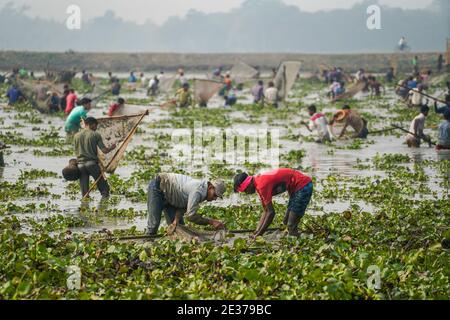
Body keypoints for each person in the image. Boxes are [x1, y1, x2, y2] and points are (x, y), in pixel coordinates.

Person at [233, 168, 313, 237]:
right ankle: (294, 236)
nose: (247, 193)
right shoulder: (258, 183)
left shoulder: (262, 185)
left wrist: (259, 234)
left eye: (245, 190)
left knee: (291, 225)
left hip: (303, 185)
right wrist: (256, 231)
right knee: (286, 221)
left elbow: (271, 213)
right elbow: (266, 210)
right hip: (294, 190)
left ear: (249, 184)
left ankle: (297, 246)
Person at [146, 173, 226, 235]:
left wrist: (175, 221)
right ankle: (147, 243)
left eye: (217, 197)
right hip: (158, 187)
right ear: (210, 187)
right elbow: (190, 216)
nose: (214, 198)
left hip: (171, 196)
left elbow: (183, 205)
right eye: (215, 195)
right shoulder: (198, 191)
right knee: (153, 225)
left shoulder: (203, 192)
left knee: (179, 227)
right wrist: (211, 222)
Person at [74, 117, 116, 200]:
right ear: (92, 124)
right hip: (91, 164)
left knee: (85, 194)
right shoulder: (95, 134)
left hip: (80, 165)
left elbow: (76, 151)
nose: (96, 128)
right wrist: (112, 147)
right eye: (96, 126)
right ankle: (104, 205)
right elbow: (104, 150)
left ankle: (84, 207)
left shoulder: (76, 135)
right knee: (104, 190)